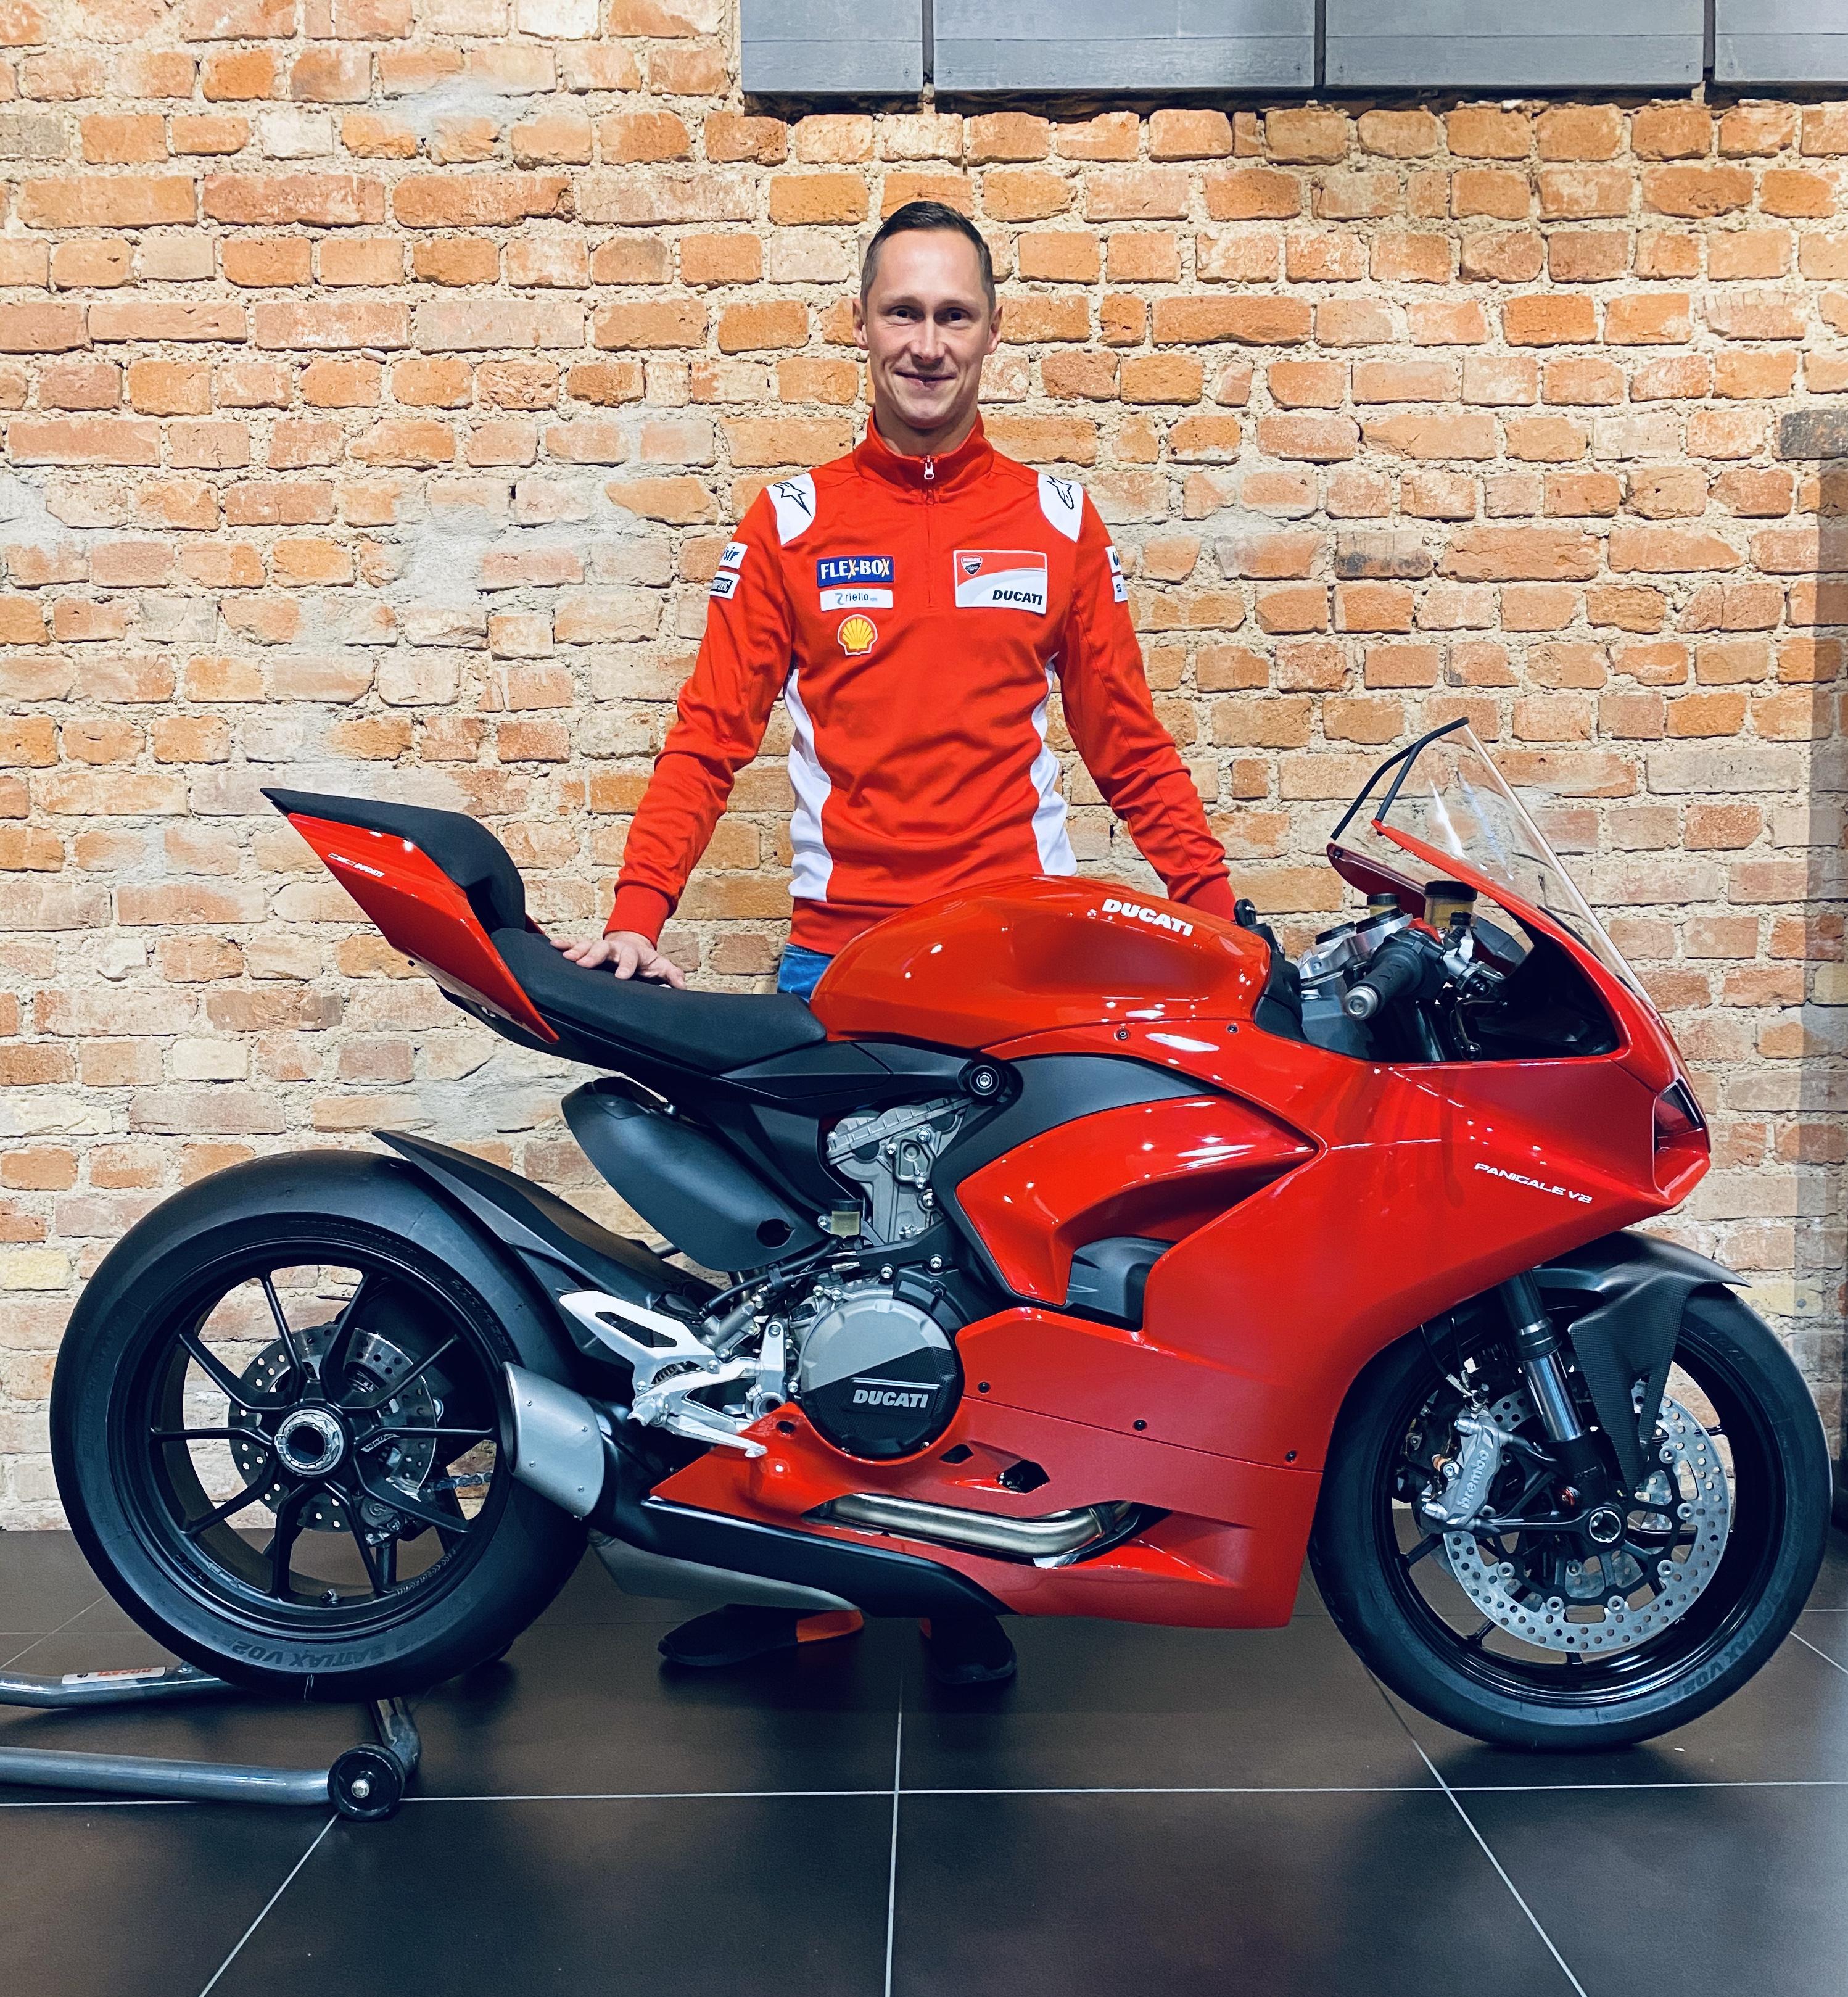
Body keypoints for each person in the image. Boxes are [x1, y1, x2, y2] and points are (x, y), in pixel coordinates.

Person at [558, 201, 1237, 1684]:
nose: (927, 342)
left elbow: (1127, 744)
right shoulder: (793, 523)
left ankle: (960, 1584)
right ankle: (797, 1576)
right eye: (902, 312)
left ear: (990, 334)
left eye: (953, 314)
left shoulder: (1058, 522)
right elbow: (707, 738)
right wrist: (635, 917)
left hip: (1016, 978)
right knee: (814, 1281)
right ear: (860, 328)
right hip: (840, 974)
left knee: (993, 1285)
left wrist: (1215, 906)